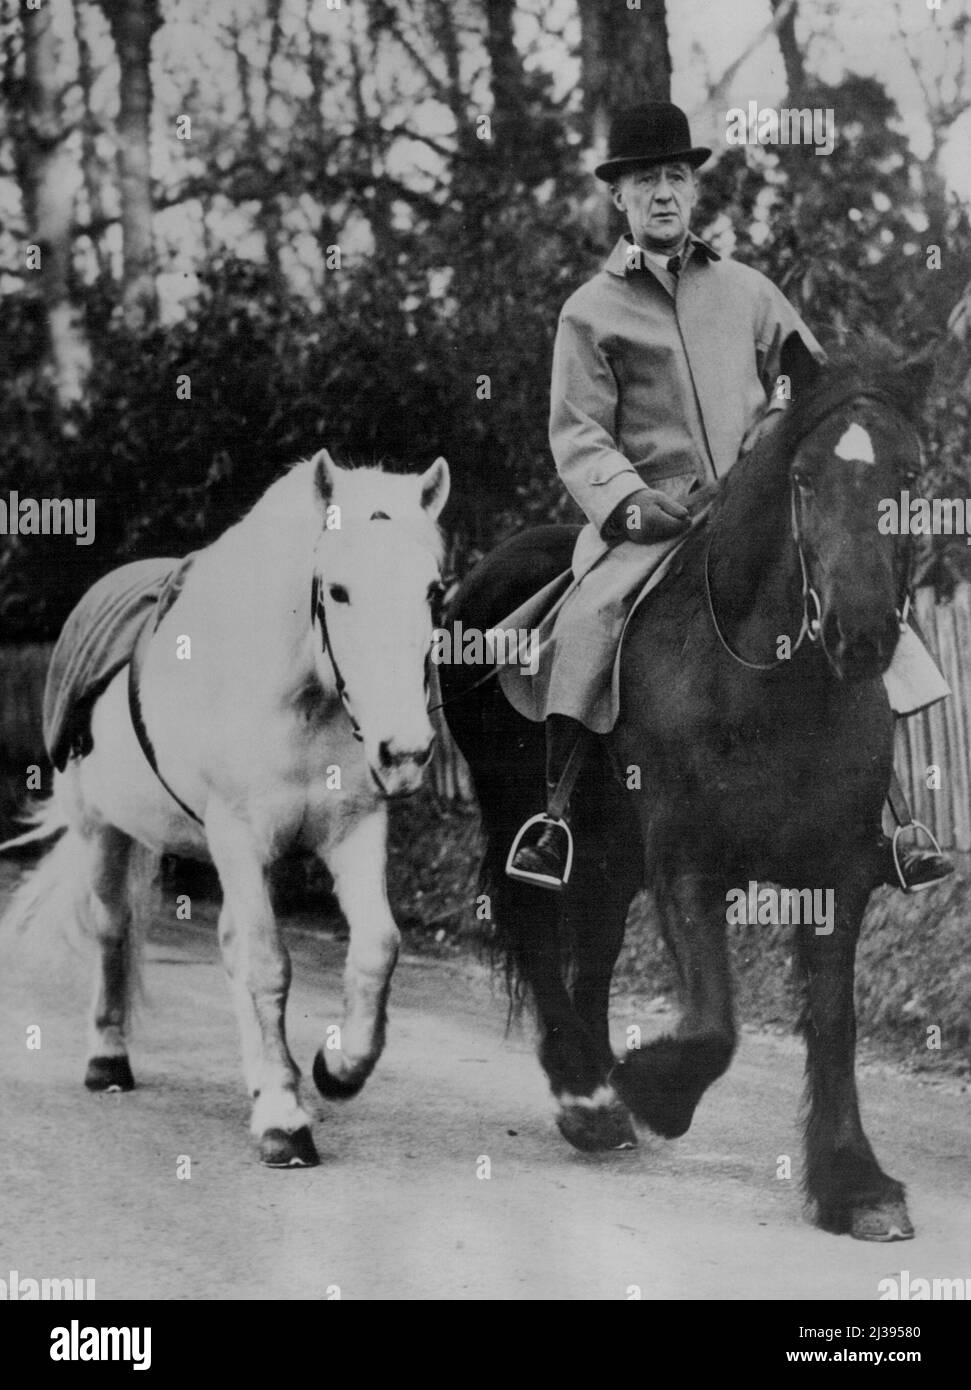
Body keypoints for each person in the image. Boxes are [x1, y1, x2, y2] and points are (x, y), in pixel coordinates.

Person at [507, 102, 952, 895]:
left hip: (755, 508)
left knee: (860, 601)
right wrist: (628, 500)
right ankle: (558, 815)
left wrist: (774, 449)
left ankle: (890, 820)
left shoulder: (748, 291)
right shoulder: (588, 313)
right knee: (585, 618)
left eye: (676, 176)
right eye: (645, 181)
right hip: (652, 519)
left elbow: (814, 393)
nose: (664, 194)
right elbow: (578, 434)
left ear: (693, 188)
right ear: (619, 198)